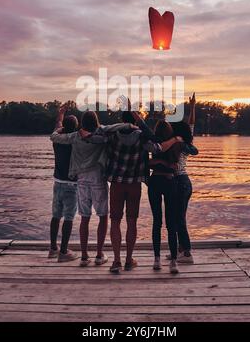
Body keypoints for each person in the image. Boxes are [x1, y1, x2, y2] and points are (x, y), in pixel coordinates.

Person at [87, 110, 192, 274]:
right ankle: (129, 260)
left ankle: (116, 261)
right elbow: (157, 148)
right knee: (132, 221)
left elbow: (96, 133)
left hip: (117, 183)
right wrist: (173, 140)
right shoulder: (142, 136)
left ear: (121, 120)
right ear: (135, 122)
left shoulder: (112, 135)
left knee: (115, 221)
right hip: (134, 183)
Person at [50, 107, 134, 267]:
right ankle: (99, 254)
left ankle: (83, 256)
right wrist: (131, 126)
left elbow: (53, 137)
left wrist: (60, 125)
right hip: (97, 178)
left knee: (84, 218)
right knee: (102, 216)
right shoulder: (101, 133)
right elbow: (117, 126)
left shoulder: (75, 136)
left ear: (82, 123)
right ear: (96, 122)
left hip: (81, 180)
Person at [148, 120, 198, 274]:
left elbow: (146, 162)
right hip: (172, 181)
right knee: (172, 222)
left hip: (165, 181)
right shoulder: (177, 143)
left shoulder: (156, 143)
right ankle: (176, 258)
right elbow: (192, 138)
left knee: (163, 221)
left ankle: (165, 257)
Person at [48, 111, 79, 263]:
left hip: (58, 182)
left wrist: (60, 115)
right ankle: (64, 252)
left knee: (55, 216)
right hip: (72, 185)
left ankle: (53, 248)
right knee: (68, 217)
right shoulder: (76, 141)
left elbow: (57, 126)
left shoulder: (57, 140)